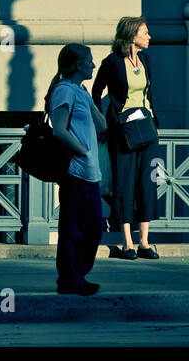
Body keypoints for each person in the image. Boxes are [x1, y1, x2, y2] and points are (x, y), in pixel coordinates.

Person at [91, 16, 160, 260]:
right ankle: (127, 243)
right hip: (123, 132)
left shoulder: (146, 59)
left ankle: (144, 242)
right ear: (132, 35)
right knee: (124, 184)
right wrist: (106, 122)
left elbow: (149, 93)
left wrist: (154, 121)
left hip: (147, 129)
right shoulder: (112, 62)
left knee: (147, 184)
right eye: (145, 32)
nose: (149, 36)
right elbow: (96, 92)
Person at [48, 43, 104, 295]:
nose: (94, 64)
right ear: (78, 64)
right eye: (90, 60)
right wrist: (81, 151)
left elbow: (103, 126)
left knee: (93, 229)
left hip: (91, 172)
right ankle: (69, 279)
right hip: (75, 171)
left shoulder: (80, 91)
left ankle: (78, 275)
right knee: (72, 228)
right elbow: (59, 130)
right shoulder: (63, 91)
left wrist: (90, 101)